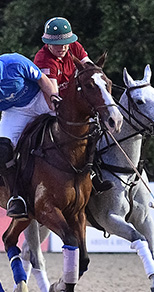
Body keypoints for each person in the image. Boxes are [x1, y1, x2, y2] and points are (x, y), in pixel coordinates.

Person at [0, 47, 58, 220]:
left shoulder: (15, 63)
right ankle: (17, 196)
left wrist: (53, 97)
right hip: (14, 112)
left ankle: (94, 171)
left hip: (38, 99)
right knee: (1, 152)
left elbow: (42, 80)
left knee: (73, 125)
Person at [33, 16, 114, 192]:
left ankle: (92, 173)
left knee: (95, 130)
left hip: (73, 100)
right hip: (47, 101)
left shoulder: (74, 47)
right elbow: (52, 91)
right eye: (57, 44)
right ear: (47, 43)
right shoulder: (43, 58)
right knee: (35, 133)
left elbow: (90, 67)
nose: (62, 48)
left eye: (65, 43)